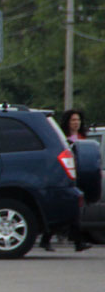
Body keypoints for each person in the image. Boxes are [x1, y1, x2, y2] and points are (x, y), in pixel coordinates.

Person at [42, 108, 92, 252]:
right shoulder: (62, 139)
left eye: (78, 120)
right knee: (68, 210)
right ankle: (76, 242)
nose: (76, 123)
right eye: (73, 120)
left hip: (80, 176)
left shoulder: (84, 137)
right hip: (65, 177)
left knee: (72, 211)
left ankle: (53, 239)